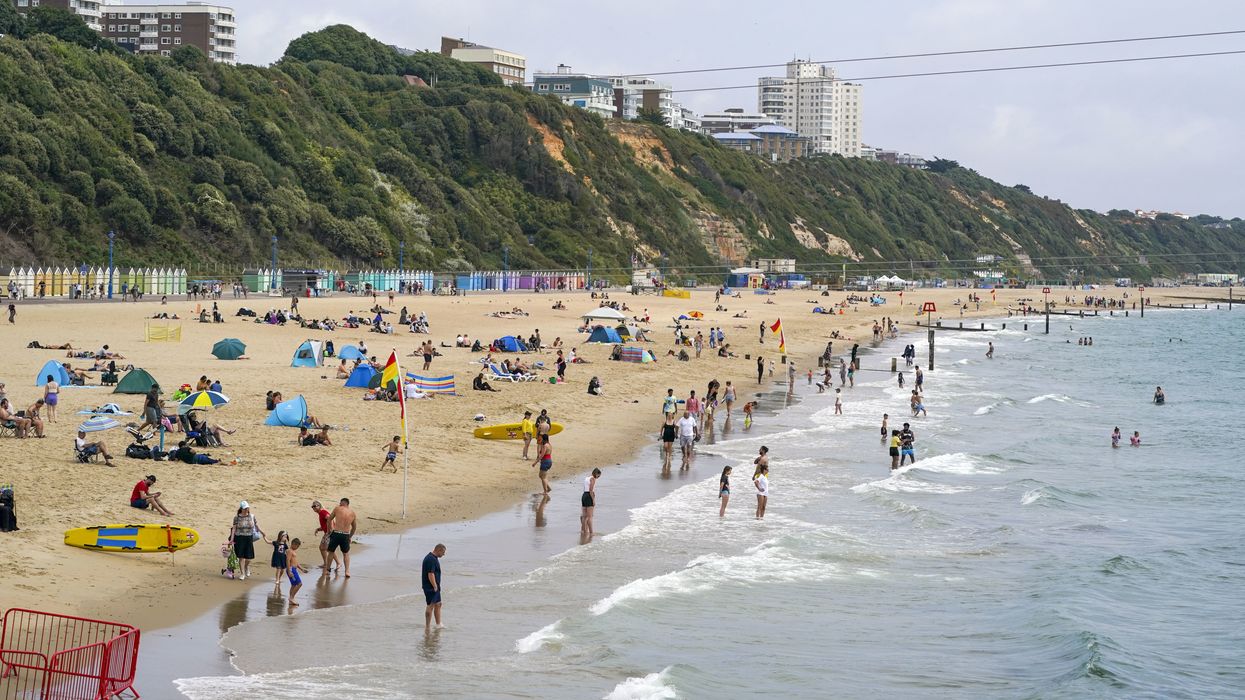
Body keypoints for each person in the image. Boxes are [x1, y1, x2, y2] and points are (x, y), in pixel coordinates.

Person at [229, 501, 265, 580]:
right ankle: (242, 574)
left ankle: (246, 567)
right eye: (245, 508)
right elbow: (234, 529)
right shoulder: (237, 517)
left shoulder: (252, 516)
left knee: (249, 558)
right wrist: (231, 539)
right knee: (241, 557)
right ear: (241, 509)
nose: (246, 510)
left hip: (249, 538)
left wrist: (262, 532)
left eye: (247, 508)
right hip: (239, 538)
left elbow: (256, 525)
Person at [327, 497, 357, 578]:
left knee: (331, 552)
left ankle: (328, 569)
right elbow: (354, 528)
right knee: (346, 554)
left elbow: (329, 519)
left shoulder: (337, 508)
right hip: (345, 535)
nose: (339, 504)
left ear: (343, 503)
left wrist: (328, 530)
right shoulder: (352, 513)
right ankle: (347, 571)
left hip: (336, 533)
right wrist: (350, 537)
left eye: (340, 503)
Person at [422, 544, 447, 630]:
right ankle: (427, 627)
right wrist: (435, 586)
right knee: (430, 605)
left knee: (438, 604)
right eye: (443, 552)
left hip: (434, 586)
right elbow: (430, 574)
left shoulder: (433, 558)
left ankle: (438, 624)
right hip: (430, 586)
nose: (444, 554)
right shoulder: (431, 559)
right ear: (438, 550)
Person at [286, 538, 308, 607]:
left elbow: (296, 562)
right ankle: (291, 597)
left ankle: (291, 599)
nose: (297, 548)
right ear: (293, 544)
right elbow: (288, 561)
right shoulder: (289, 551)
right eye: (297, 546)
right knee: (299, 584)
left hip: (294, 569)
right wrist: (289, 571)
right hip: (291, 569)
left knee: (293, 585)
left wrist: (302, 569)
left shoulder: (293, 551)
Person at [312, 500, 333, 570]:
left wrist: (330, 529)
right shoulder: (321, 513)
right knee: (323, 548)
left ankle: (335, 563)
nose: (313, 508)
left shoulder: (322, 512)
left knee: (328, 548)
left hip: (329, 532)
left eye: (314, 506)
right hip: (328, 532)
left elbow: (330, 518)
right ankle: (326, 563)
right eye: (312, 506)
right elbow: (325, 523)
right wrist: (319, 529)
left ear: (319, 506)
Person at [581, 468, 601, 535]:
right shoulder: (592, 479)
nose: (598, 477)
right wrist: (593, 500)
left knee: (584, 516)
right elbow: (591, 490)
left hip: (584, 495)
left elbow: (586, 488)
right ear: (596, 473)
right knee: (590, 516)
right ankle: (591, 532)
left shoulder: (586, 478)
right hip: (588, 496)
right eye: (598, 475)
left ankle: (584, 531)